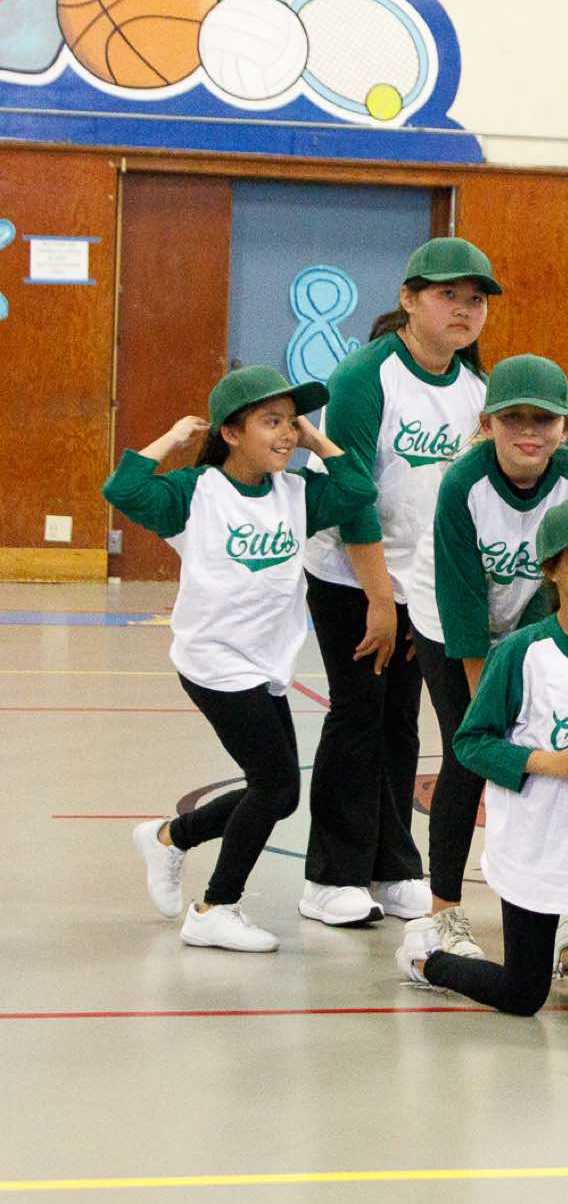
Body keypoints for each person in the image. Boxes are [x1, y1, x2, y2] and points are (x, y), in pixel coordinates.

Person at [121, 367, 374, 951]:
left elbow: (358, 490)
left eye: (291, 422)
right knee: (274, 785)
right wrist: (172, 440)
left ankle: (170, 837)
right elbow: (126, 490)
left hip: (267, 665)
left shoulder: (296, 493)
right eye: (271, 422)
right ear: (231, 433)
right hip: (215, 663)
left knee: (281, 793)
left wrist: (316, 441)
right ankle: (215, 907)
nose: (286, 433)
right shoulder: (196, 493)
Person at [398, 498, 568, 1012]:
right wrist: (551, 763)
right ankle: (426, 959)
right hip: (537, 845)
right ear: (552, 570)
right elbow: (471, 742)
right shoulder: (523, 652)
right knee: (523, 994)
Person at [300, 237, 494, 928]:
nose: (464, 309)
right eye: (448, 295)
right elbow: (352, 495)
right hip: (352, 574)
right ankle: (331, 875)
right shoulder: (365, 376)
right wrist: (381, 600)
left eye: (476, 299)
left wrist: (426, 597)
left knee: (401, 721)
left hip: (423, 582)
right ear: (409, 299)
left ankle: (393, 866)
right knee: (357, 713)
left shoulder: (477, 389)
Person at [411, 354, 568, 959]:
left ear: (564, 427)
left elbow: (563, 583)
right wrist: (485, 714)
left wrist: (539, 658)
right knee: (468, 754)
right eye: (513, 418)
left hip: (528, 618)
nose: (529, 432)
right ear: (488, 423)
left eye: (543, 420)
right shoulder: (463, 485)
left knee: (552, 754)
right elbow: (462, 604)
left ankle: (567, 911)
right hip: (450, 623)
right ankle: (442, 912)